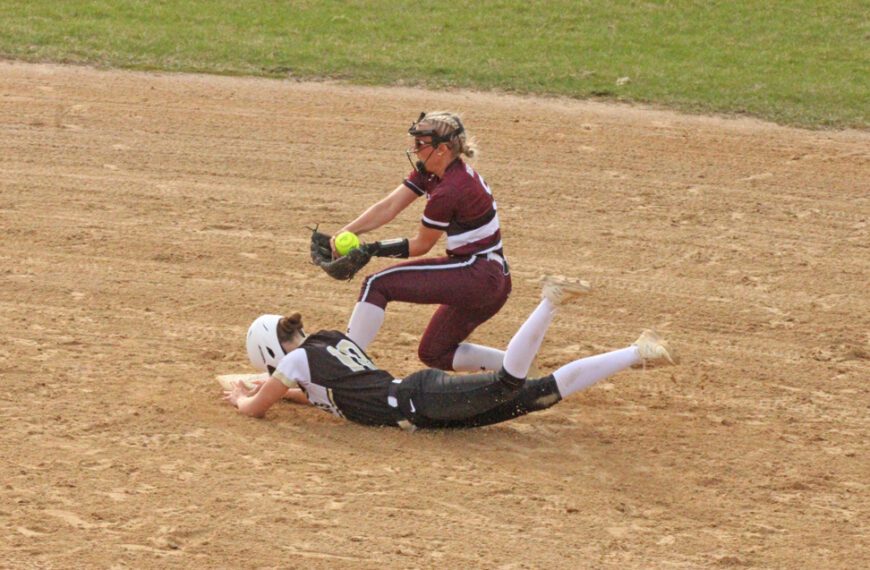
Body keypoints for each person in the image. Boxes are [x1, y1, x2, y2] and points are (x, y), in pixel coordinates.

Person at [223, 277, 676, 430]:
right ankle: (637, 351)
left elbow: (254, 410)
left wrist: (244, 397)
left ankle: (549, 301)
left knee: (510, 383)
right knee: (538, 395)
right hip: (420, 404)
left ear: (271, 355)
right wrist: (282, 393)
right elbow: (324, 394)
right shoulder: (326, 342)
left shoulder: (297, 362)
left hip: (421, 401)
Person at [330, 111, 511, 372]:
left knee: (377, 284)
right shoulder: (434, 172)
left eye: (420, 144)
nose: (414, 150)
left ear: (442, 149)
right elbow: (389, 206)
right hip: (491, 277)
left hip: (477, 274)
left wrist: (372, 249)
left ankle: (340, 368)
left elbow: (421, 245)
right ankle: (518, 369)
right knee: (434, 353)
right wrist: (344, 233)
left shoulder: (450, 190)